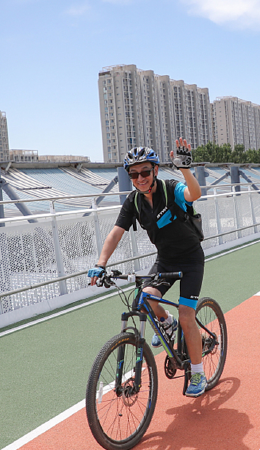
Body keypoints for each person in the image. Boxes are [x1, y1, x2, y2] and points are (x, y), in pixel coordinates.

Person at [89, 139, 208, 397]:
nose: (140, 178)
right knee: (145, 297)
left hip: (190, 259)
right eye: (133, 174)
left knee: (188, 316)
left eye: (145, 171)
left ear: (155, 170)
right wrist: (101, 264)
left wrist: (185, 169)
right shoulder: (134, 202)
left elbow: (194, 194)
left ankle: (198, 372)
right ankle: (166, 322)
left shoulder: (170, 188)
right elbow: (115, 234)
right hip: (165, 259)